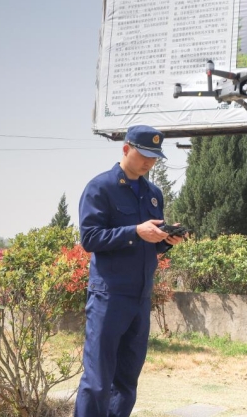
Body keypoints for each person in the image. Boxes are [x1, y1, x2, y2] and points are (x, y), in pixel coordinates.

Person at [74, 125, 185, 416]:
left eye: (155, 157)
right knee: (97, 381)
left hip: (140, 297)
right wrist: (135, 230)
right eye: (144, 154)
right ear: (126, 149)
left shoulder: (153, 194)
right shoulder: (101, 187)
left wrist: (167, 241)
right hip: (108, 296)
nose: (150, 162)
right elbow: (90, 238)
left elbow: (150, 244)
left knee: (125, 383)